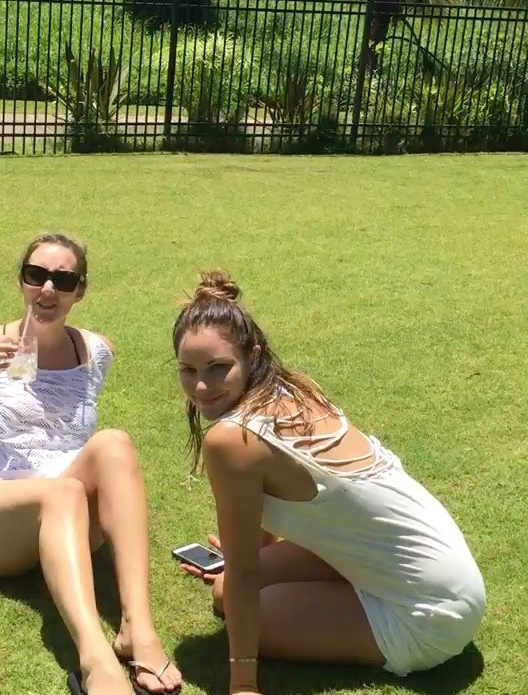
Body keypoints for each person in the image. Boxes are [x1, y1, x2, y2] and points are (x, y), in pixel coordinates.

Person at [171, 270, 485, 695]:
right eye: (187, 370)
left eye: (218, 368)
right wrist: (251, 554)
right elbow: (263, 504)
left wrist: (243, 684)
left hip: (427, 615)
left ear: (252, 356)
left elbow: (244, 572)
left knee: (233, 599)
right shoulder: (289, 390)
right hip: (447, 578)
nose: (201, 386)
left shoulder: (229, 441)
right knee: (229, 587)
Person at [0, 233, 181, 695]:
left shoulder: (95, 351)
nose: (48, 289)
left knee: (114, 443)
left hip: (62, 501)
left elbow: (69, 447)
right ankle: (96, 662)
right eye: (36, 275)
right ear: (22, 281)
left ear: (80, 290)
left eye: (63, 280)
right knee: (64, 491)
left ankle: (138, 630)